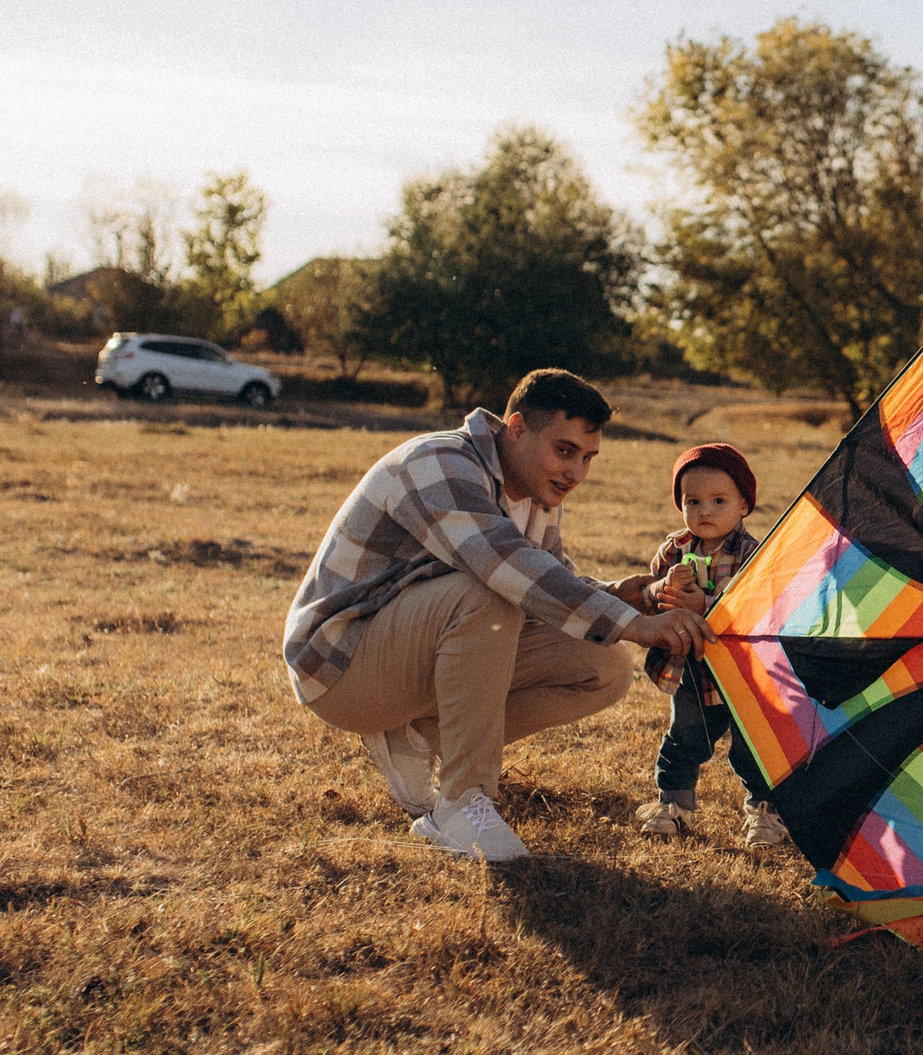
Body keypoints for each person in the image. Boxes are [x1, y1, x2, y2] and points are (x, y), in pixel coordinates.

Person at [282, 368, 706, 862]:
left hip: (404, 657)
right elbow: (506, 567)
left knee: (605, 666)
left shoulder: (535, 491)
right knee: (487, 594)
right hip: (339, 667)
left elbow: (545, 581)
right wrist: (636, 627)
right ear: (517, 428)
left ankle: (418, 736)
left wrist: (627, 597)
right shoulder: (440, 460)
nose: (576, 472)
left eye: (587, 458)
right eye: (564, 450)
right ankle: (461, 803)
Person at [634, 442, 786, 848]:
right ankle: (674, 806)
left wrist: (708, 604)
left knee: (752, 743)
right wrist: (663, 587)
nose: (705, 511)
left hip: (743, 670)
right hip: (692, 669)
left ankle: (766, 812)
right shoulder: (674, 550)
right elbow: (649, 598)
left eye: (719, 500)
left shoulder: (752, 553)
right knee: (685, 736)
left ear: (743, 505)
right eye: (693, 501)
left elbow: (757, 610)